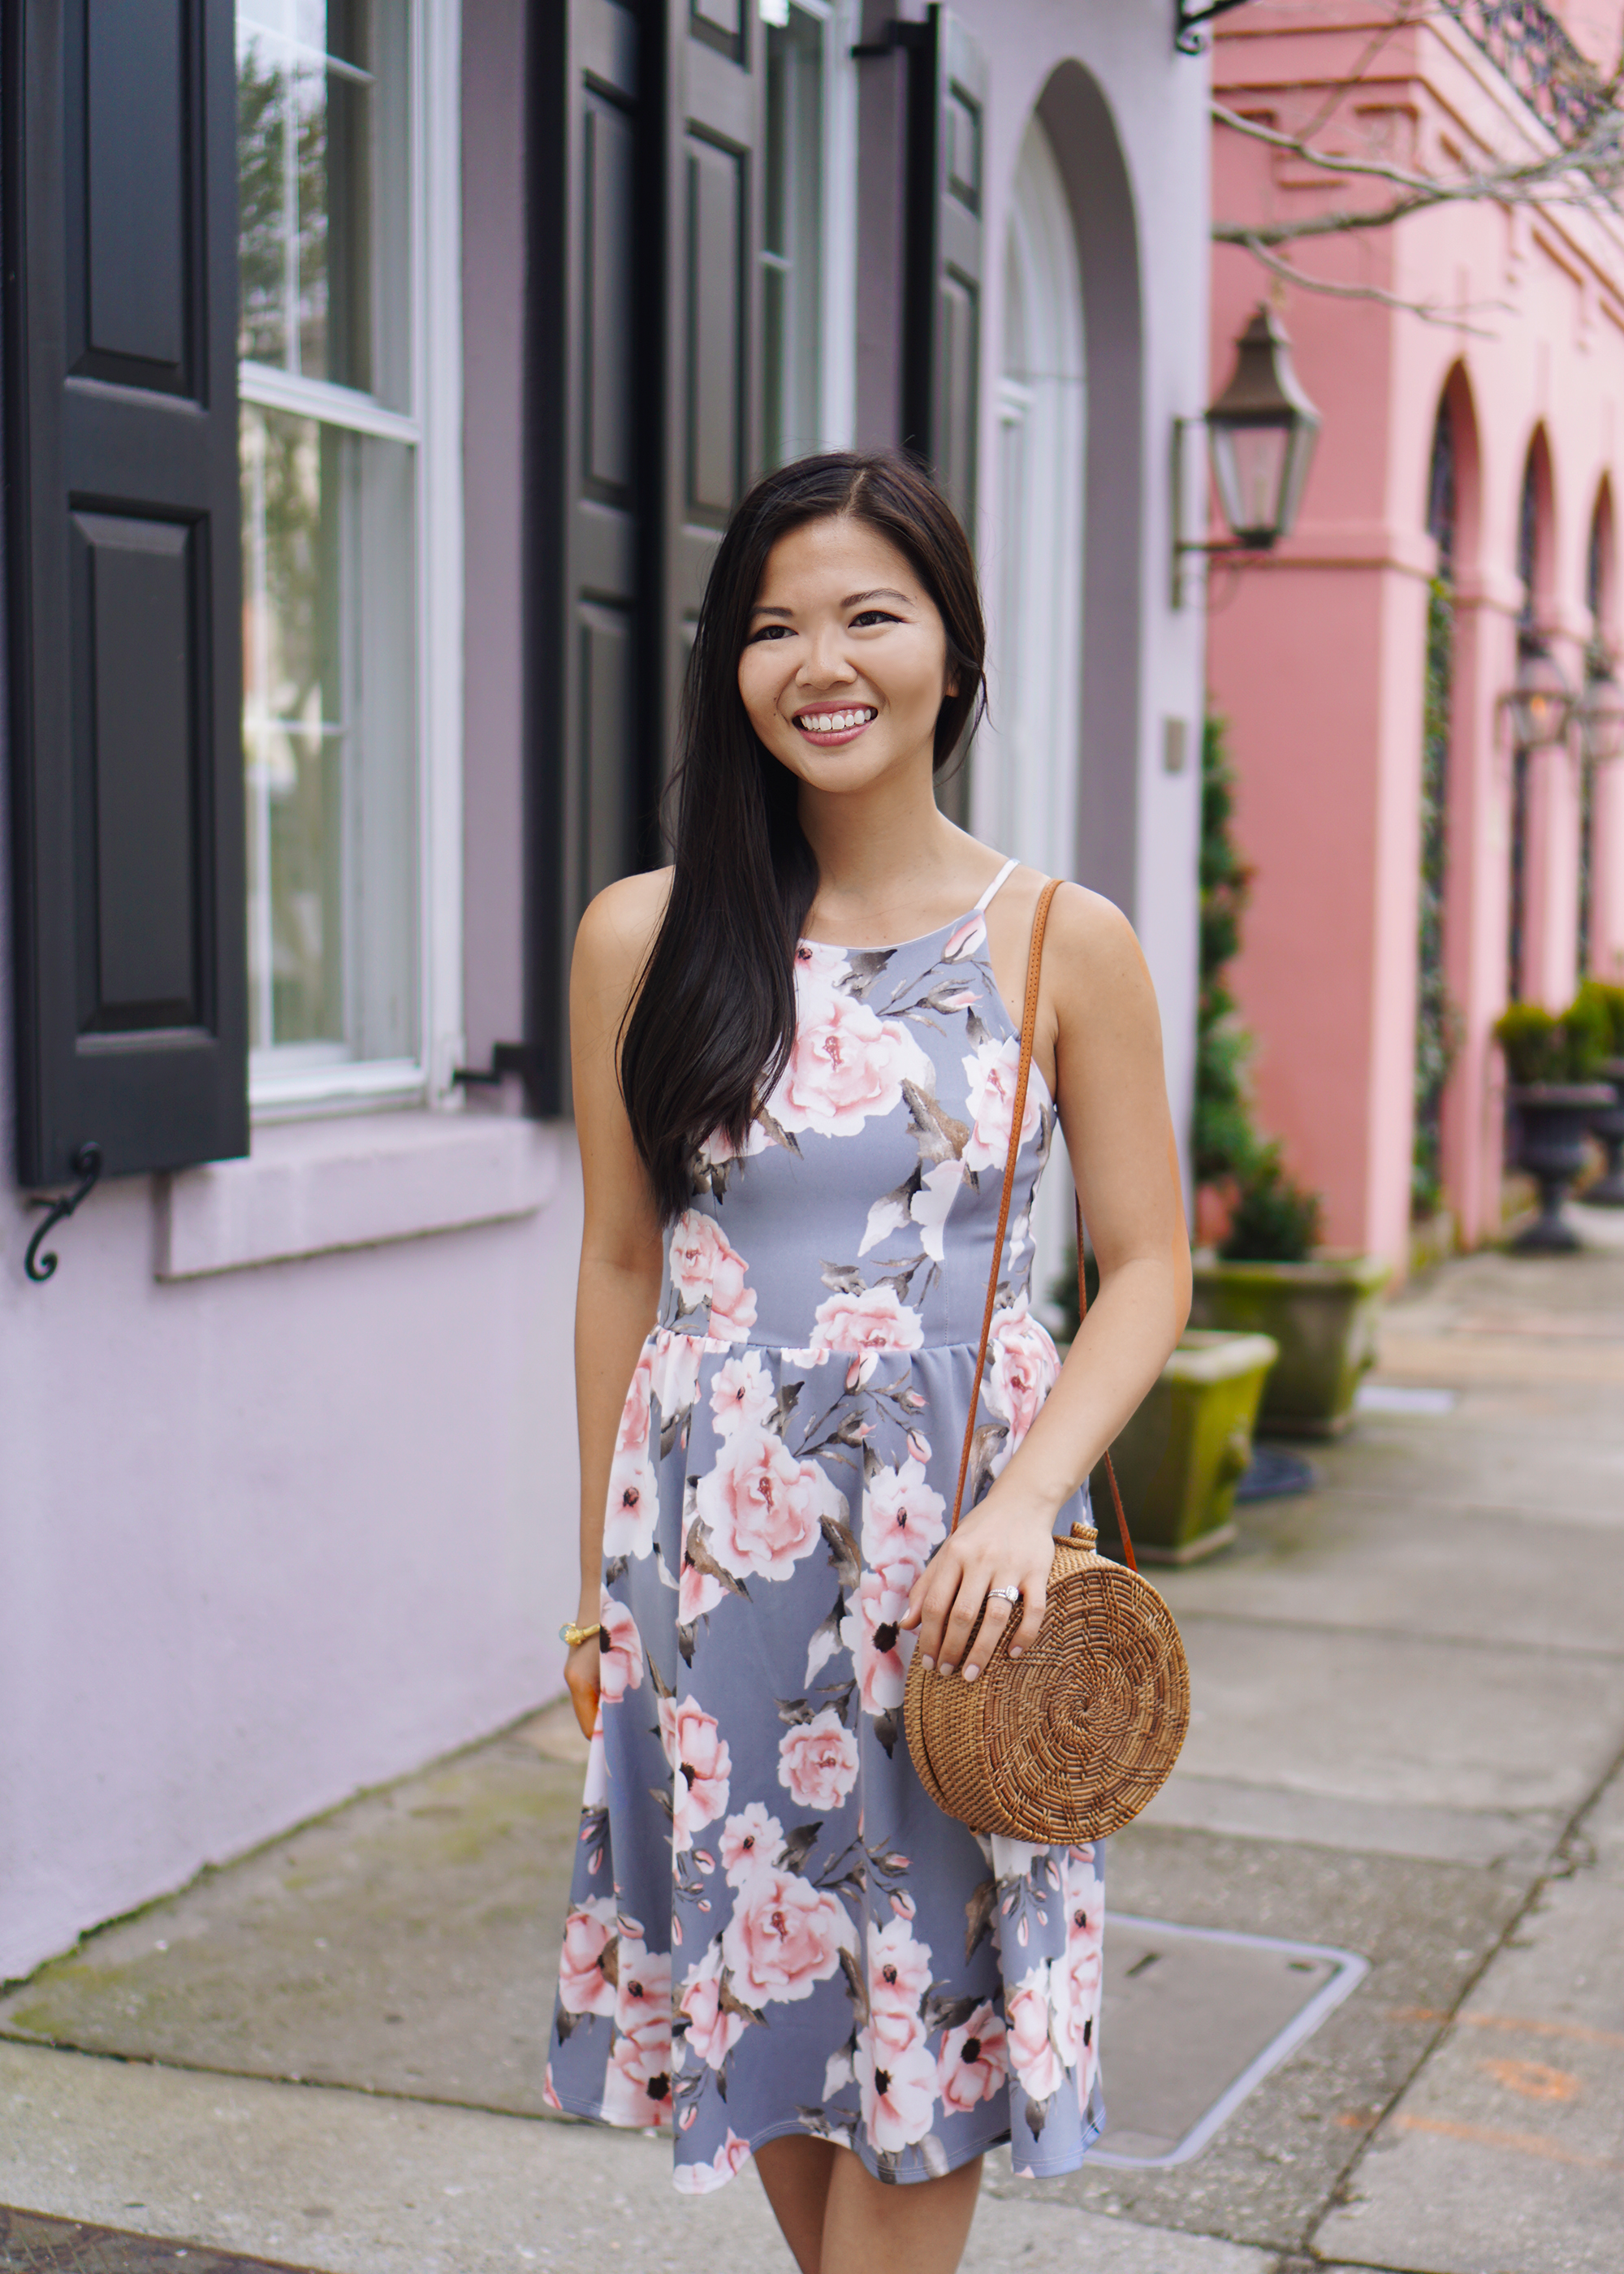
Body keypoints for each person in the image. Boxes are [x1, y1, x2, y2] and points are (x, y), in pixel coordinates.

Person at [545, 452, 1190, 2273]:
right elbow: (618, 1258)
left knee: (932, 2031)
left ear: (950, 651)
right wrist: (595, 1600)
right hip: (712, 1567)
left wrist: (1026, 1499)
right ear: (728, 670)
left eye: (865, 613)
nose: (817, 660)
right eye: (769, 625)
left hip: (954, 1569)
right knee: (775, 2031)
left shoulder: (1063, 939)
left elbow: (1150, 1264)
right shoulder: (640, 933)